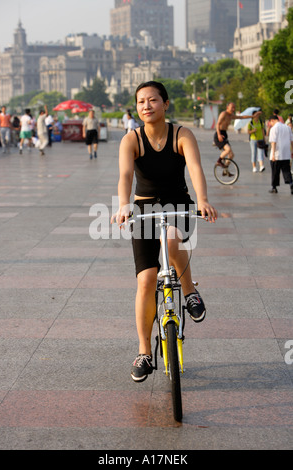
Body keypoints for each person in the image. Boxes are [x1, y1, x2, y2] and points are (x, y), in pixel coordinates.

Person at [112, 81, 217, 383]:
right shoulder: (131, 139)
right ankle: (145, 352)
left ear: (166, 104)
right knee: (145, 281)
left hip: (178, 205)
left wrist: (204, 199)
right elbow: (125, 175)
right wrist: (123, 205)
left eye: (153, 100)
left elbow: (195, 168)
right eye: (141, 102)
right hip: (143, 209)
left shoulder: (181, 135)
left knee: (172, 239)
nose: (147, 106)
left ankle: (190, 292)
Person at [214, 102, 262, 174]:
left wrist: (253, 116)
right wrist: (218, 134)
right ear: (227, 107)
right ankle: (218, 161)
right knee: (228, 149)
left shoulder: (231, 116)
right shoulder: (223, 114)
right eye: (232, 107)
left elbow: (241, 117)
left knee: (231, 155)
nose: (233, 109)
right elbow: (217, 124)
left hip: (224, 134)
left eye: (234, 108)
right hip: (219, 134)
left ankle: (225, 169)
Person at [268, 115, 293, 194]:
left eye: (270, 123)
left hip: (277, 154)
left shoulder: (274, 128)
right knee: (287, 171)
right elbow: (292, 140)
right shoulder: (287, 127)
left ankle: (274, 188)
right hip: (286, 154)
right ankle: (291, 184)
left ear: (272, 120)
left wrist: (273, 155)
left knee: (275, 171)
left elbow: (273, 142)